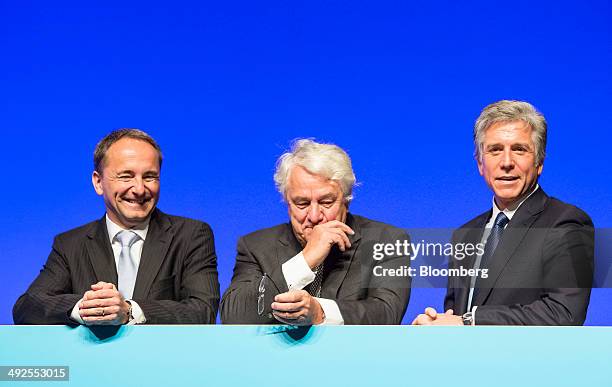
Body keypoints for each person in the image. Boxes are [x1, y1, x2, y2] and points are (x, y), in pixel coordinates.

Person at [413, 100, 593, 326]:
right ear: (480, 164)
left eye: (519, 149)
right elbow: (455, 319)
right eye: (495, 150)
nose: (506, 162)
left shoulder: (566, 223)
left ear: (539, 163)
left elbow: (563, 313)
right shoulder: (465, 234)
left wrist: (471, 321)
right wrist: (435, 323)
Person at [13, 129, 219, 325]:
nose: (139, 189)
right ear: (98, 182)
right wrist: (86, 308)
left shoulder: (191, 235)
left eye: (149, 177)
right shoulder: (70, 244)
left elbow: (203, 310)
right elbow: (27, 306)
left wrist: (129, 310)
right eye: (126, 176)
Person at [221, 139, 411, 325]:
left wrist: (320, 312)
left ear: (346, 200)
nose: (314, 216)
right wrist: (305, 260)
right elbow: (234, 317)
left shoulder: (387, 241)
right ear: (288, 203)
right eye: (302, 203)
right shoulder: (255, 246)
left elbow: (387, 314)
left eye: (326, 202)